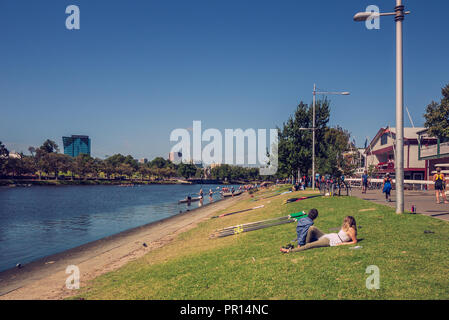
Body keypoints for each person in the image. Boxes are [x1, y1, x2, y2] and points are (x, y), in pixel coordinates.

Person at [280, 216, 358, 253]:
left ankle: (289, 251)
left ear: (349, 221)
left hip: (331, 241)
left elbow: (354, 241)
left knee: (310, 246)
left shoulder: (352, 230)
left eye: (345, 221)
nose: (344, 222)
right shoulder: (347, 227)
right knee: (312, 228)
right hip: (330, 236)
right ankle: (304, 244)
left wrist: (342, 244)